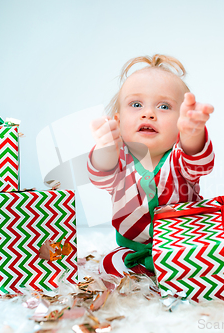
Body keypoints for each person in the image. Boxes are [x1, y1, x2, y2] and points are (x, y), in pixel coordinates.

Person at [87, 54, 215, 277]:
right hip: (131, 248)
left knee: (205, 266)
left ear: (180, 123)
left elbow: (200, 163)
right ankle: (142, 280)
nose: (148, 113)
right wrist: (106, 148)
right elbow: (100, 175)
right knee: (109, 266)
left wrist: (192, 134)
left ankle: (175, 279)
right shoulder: (120, 160)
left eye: (164, 106)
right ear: (117, 121)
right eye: (136, 104)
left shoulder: (180, 159)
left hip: (183, 246)